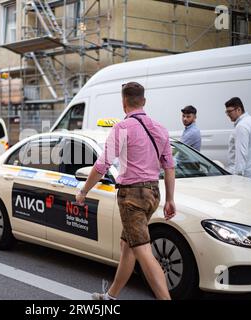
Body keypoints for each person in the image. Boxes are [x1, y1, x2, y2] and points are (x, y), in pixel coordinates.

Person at [75, 82, 176, 301]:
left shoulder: (122, 128)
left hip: (132, 197)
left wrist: (83, 191)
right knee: (128, 245)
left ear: (124, 103)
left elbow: (102, 166)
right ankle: (111, 296)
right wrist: (170, 200)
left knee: (143, 252)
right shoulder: (160, 129)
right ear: (144, 101)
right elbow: (169, 167)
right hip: (153, 194)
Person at [225, 97, 251, 180]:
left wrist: (238, 177)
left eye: (229, 111)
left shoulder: (241, 126)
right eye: (226, 112)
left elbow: (241, 153)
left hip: (247, 176)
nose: (228, 114)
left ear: (238, 109)